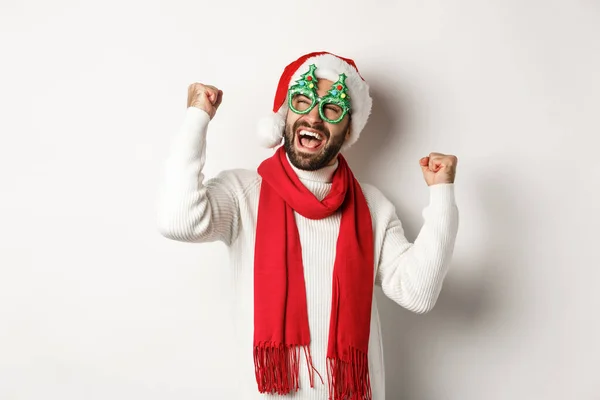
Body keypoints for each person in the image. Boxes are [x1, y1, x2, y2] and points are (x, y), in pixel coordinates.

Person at [156, 51, 459, 400]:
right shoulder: (243, 193)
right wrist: (197, 117)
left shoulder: (371, 206)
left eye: (332, 108)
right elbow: (177, 220)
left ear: (348, 130)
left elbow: (417, 292)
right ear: (284, 116)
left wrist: (442, 196)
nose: (313, 118)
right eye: (302, 101)